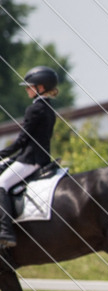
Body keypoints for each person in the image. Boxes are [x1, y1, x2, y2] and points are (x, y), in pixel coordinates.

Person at [0, 66, 60, 247]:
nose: (27, 89)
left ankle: (5, 231)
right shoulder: (48, 108)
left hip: (30, 160)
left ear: (40, 88)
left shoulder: (34, 110)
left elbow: (22, 141)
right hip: (36, 157)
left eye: (29, 86)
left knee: (1, 184)